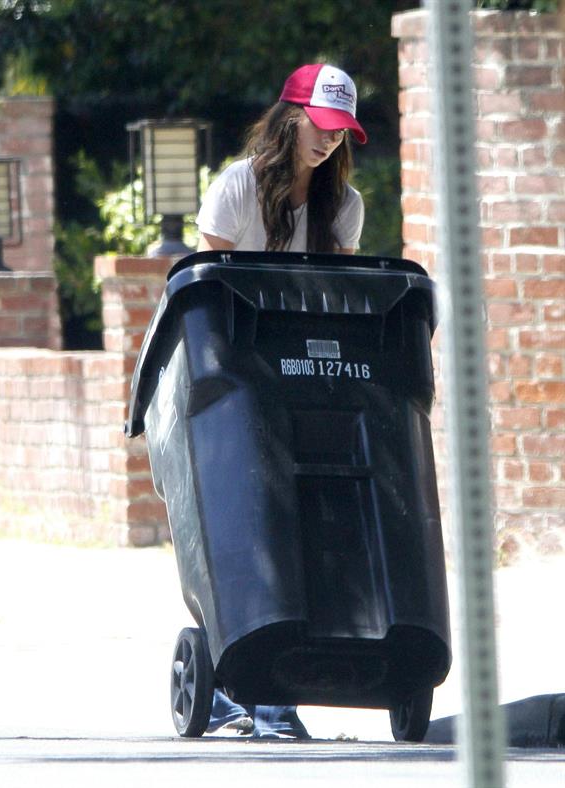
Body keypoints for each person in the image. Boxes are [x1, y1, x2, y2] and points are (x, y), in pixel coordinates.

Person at [196, 63, 367, 738]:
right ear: (291, 115)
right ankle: (235, 692)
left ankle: (276, 692)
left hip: (307, 382)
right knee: (243, 529)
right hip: (236, 381)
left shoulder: (344, 207)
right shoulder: (238, 187)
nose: (329, 141)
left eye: (341, 130)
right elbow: (204, 289)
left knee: (302, 531)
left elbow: (346, 302)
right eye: (320, 125)